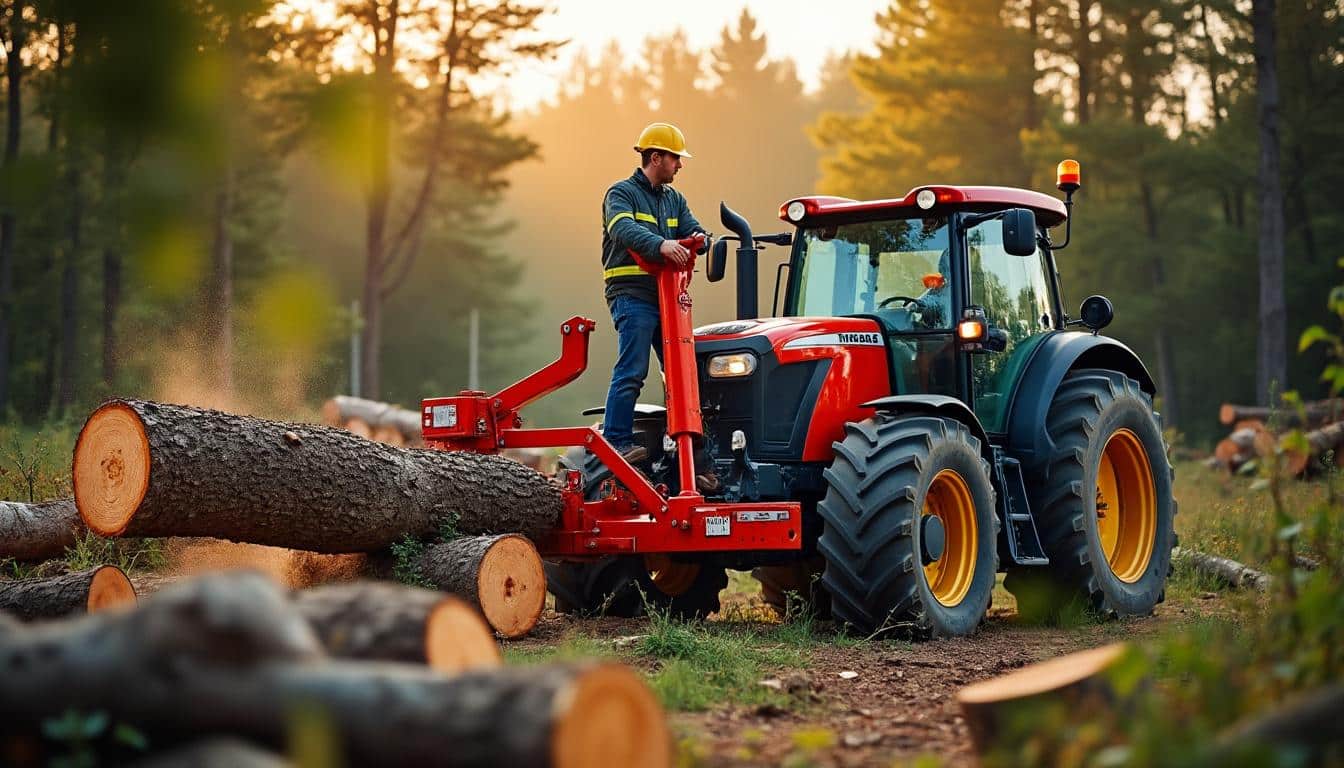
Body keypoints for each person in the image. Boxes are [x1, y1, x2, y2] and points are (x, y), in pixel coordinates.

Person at [599, 122, 718, 493]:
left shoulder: (674, 200)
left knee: (685, 377)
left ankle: (697, 462)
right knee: (633, 369)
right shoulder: (620, 194)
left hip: (668, 297)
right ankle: (617, 442)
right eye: (675, 159)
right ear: (656, 158)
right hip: (633, 295)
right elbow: (623, 230)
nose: (680, 166)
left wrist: (703, 240)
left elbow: (695, 228)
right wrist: (661, 245)